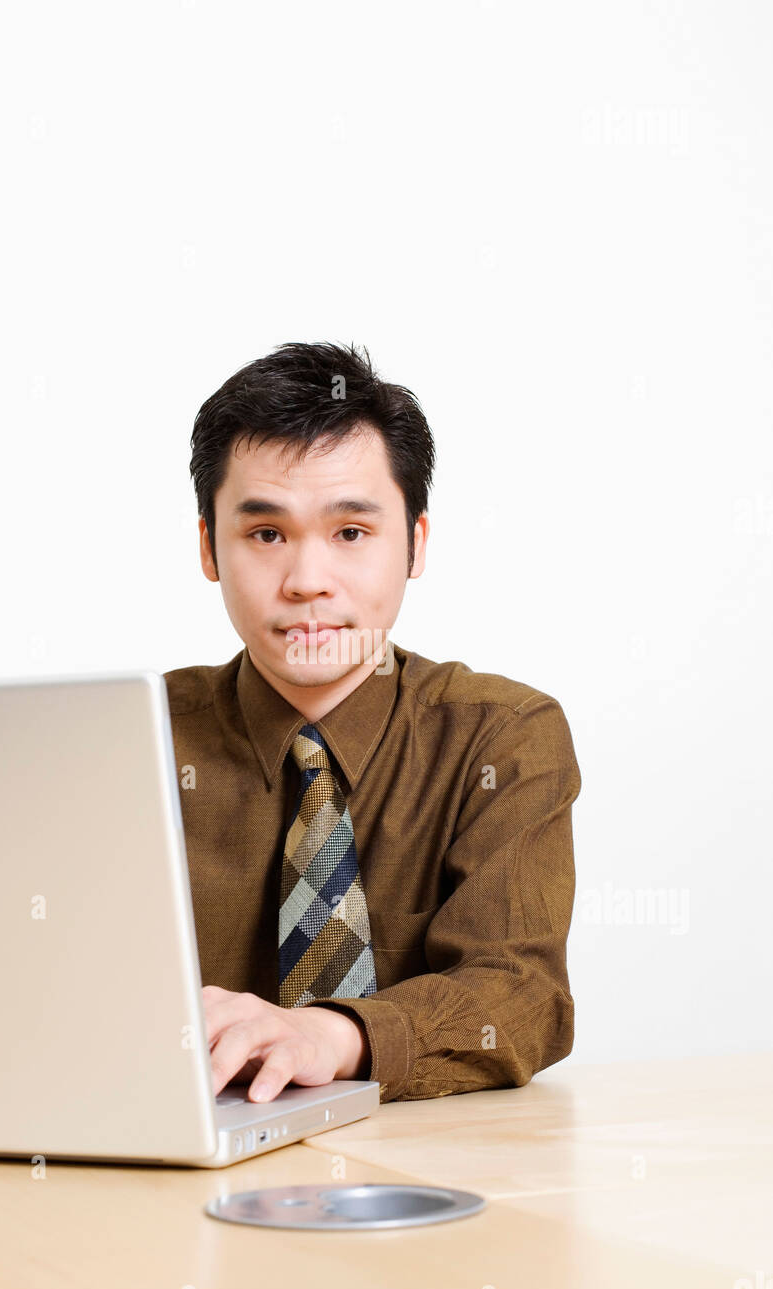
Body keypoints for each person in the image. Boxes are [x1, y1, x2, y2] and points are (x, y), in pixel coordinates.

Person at [164, 340, 581, 1105]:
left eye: (350, 533)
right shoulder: (136, 742)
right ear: (208, 548)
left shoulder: (503, 736)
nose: (307, 583)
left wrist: (333, 1035)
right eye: (266, 535)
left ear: (415, 543)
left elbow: (523, 997)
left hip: (432, 1173)